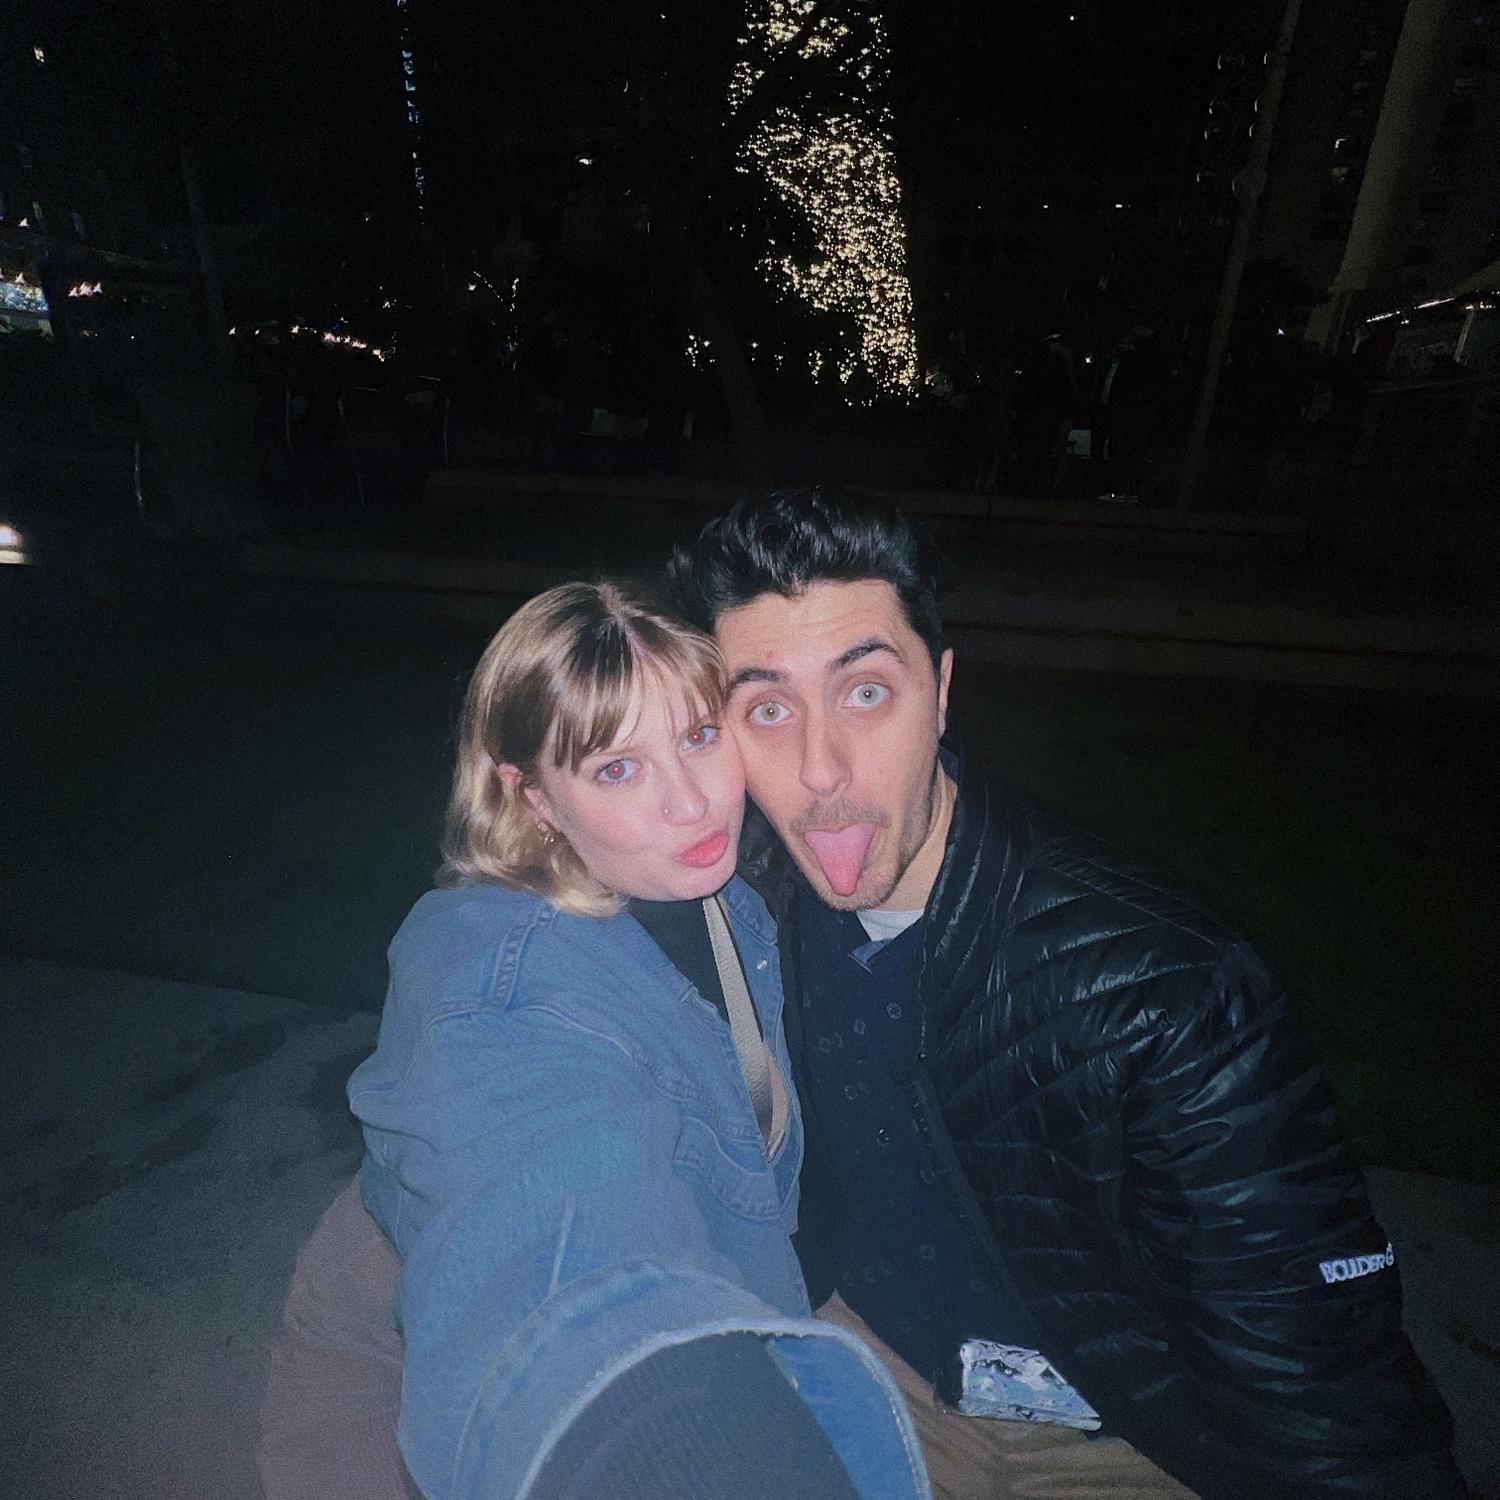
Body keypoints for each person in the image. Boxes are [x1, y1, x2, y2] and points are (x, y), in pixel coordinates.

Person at [666, 486, 1470, 1500]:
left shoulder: (1166, 993)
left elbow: (1324, 1383)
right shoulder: (746, 897)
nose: (821, 770)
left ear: (941, 693)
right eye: (769, 708)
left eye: (866, 692)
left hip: (1127, 1437)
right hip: (873, 1369)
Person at [262, 582, 929, 1500]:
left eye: (699, 736)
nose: (690, 803)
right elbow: (561, 1234)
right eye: (618, 770)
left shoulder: (724, 888)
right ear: (532, 796)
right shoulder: (499, 984)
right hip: (400, 1369)